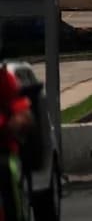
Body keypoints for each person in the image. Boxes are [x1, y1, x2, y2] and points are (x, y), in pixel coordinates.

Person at [0, 64, 32, 221]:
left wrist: (17, 120)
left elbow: (22, 111)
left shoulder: (4, 77)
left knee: (7, 170)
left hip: (3, 151)